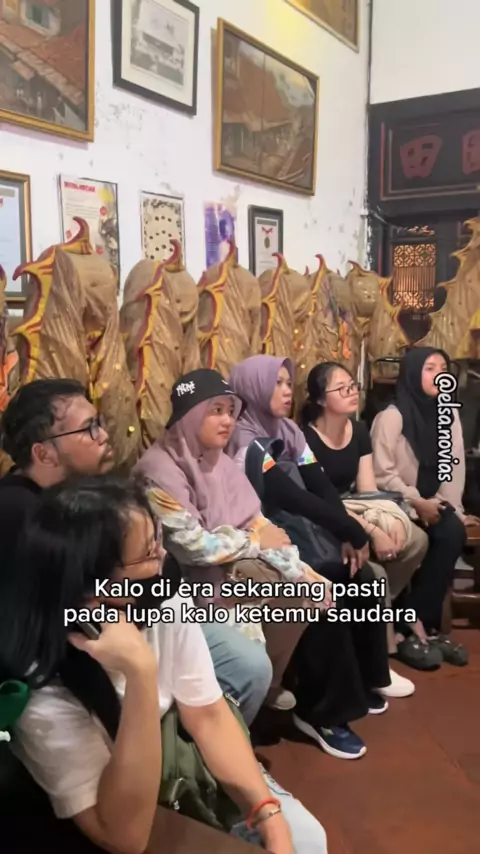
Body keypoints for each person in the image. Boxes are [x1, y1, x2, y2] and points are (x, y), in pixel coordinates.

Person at [0, 477, 327, 854]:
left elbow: (207, 714)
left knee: (306, 840)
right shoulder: (43, 689)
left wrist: (268, 814)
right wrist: (140, 675)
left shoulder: (156, 598)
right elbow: (125, 836)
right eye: (147, 554)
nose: (163, 560)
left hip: (179, 767)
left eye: (158, 539)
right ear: (91, 587)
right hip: (129, 806)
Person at [0, 379, 271, 726]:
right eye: (89, 428)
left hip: (154, 613)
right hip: (88, 651)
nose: (104, 435)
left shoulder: (94, 492)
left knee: (247, 663)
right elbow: (76, 610)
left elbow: (161, 570)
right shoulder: (21, 515)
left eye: (100, 422)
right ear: (44, 454)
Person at [227, 356, 401, 752]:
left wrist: (347, 533)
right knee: (321, 587)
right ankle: (321, 712)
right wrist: (349, 529)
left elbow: (318, 484)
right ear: (254, 388)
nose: (287, 391)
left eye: (289, 383)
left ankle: (364, 680)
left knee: (361, 575)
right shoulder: (244, 439)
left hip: (302, 529)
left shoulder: (289, 430)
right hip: (263, 537)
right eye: (277, 384)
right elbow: (287, 494)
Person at [134, 369, 320, 713]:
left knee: (307, 592)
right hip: (184, 589)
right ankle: (234, 703)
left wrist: (301, 569)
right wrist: (256, 542)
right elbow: (193, 547)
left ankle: (266, 685)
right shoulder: (159, 472)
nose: (227, 421)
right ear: (189, 415)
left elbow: (257, 518)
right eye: (216, 410)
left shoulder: (222, 460)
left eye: (231, 411)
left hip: (231, 570)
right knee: (260, 641)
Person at [301, 361, 428, 680]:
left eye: (352, 386)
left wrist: (386, 518)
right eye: (341, 388)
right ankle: (381, 656)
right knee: (375, 572)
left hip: (355, 504)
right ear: (320, 399)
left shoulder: (358, 430)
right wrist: (369, 530)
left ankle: (381, 611)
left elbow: (368, 491)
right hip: (323, 514)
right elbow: (320, 501)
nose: (351, 392)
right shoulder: (305, 440)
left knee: (416, 540)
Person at [371, 347, 473, 669]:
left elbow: (453, 467)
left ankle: (414, 621)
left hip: (433, 501)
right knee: (430, 536)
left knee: (452, 531)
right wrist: (417, 501)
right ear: (414, 373)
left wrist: (451, 505)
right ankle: (415, 628)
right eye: (430, 369)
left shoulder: (447, 414)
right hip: (397, 502)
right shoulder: (392, 416)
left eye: (443, 368)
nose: (439, 376)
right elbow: (382, 474)